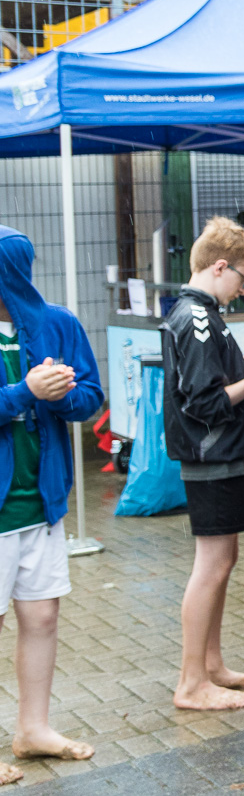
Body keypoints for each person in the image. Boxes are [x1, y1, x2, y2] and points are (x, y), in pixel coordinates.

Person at [161, 218, 244, 711]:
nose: (243, 290)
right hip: (213, 454)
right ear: (220, 266)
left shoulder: (193, 312)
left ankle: (211, 666)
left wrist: (243, 363)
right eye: (243, 279)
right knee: (211, 565)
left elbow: (203, 382)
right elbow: (207, 403)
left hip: (213, 453)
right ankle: (192, 682)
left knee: (220, 561)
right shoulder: (200, 317)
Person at [0, 226, 103, 781]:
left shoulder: (55, 323)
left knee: (41, 615)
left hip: (41, 503)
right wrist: (25, 393)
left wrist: (65, 395)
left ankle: (32, 729)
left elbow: (91, 396)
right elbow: (16, 400)